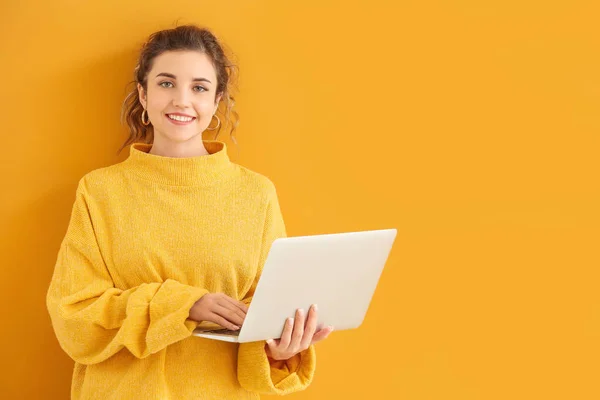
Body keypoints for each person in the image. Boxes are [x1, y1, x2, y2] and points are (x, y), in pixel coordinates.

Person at [46, 24, 333, 399]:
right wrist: (186, 305)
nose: (182, 100)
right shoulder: (100, 191)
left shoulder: (256, 194)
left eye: (199, 87)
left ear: (215, 102)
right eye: (166, 83)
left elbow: (265, 310)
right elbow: (74, 316)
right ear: (143, 95)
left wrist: (278, 349)